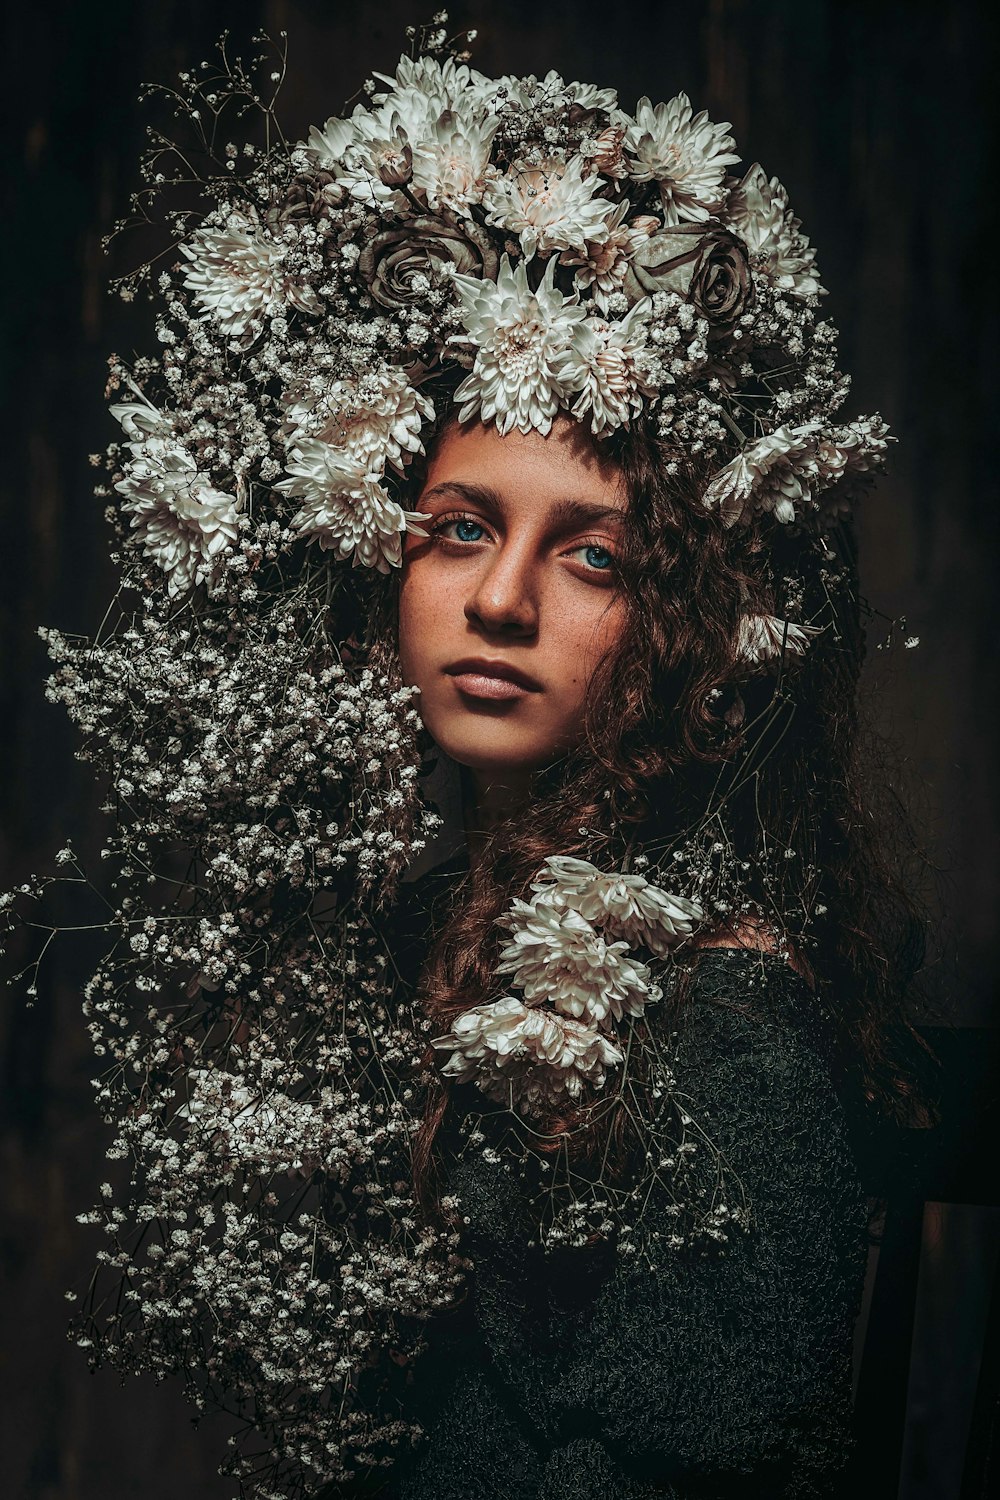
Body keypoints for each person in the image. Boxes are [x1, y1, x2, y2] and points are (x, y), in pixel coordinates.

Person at [325, 369, 930, 1499]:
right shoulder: (415, 923)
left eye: (595, 556)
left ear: (708, 627)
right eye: (459, 529)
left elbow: (700, 1458)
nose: (500, 601)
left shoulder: (722, 1009)